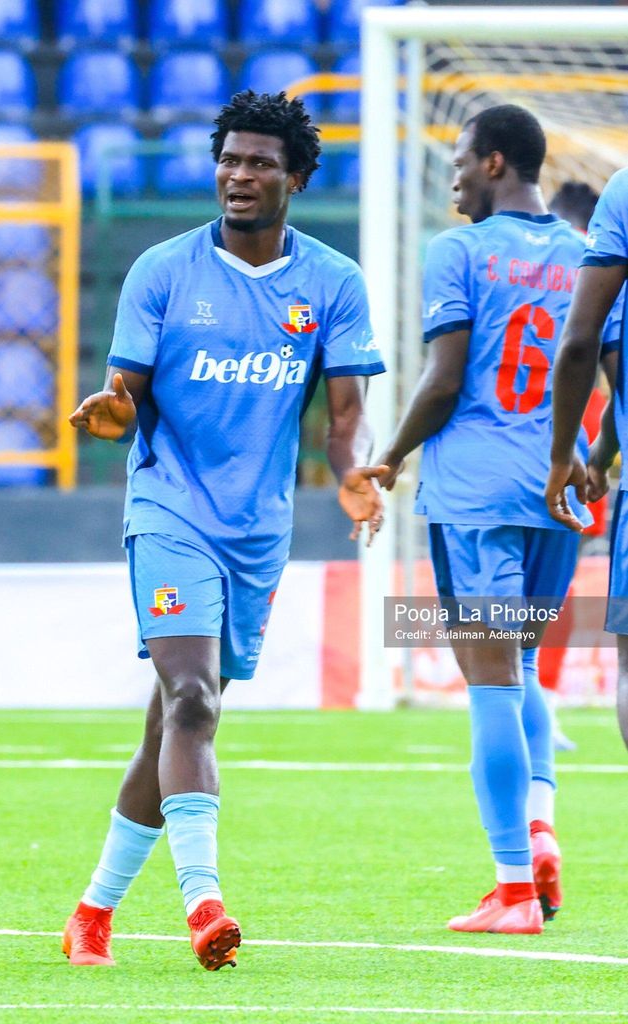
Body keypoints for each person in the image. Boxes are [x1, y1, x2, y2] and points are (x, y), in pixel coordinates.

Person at [64, 90, 386, 971]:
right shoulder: (162, 271)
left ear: (296, 178)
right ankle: (204, 906)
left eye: (259, 164)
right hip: (169, 509)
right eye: (229, 160)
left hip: (256, 531)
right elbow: (124, 395)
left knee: (174, 720)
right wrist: (113, 413)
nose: (239, 176)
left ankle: (93, 911)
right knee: (194, 700)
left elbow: (344, 416)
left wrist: (352, 471)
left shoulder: (332, 282)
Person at [373, 105, 592, 934]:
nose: (454, 178)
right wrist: (594, 458)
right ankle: (539, 829)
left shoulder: (457, 251)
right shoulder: (583, 253)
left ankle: (511, 888)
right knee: (523, 664)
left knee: (491, 680)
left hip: (476, 491)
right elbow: (606, 368)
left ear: (494, 162)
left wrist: (391, 456)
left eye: (461, 160)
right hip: (559, 490)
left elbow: (442, 379)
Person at [547, 166, 628, 753]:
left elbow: (585, 346)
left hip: (527, 456)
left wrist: (578, 453)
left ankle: (531, 698)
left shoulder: (621, 199)